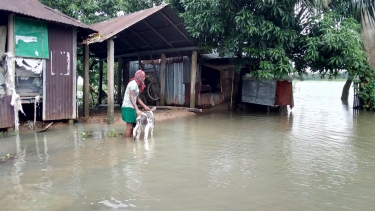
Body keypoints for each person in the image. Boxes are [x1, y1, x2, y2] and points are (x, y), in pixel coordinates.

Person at [122, 70, 150, 137]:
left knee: (132, 126)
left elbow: (137, 98)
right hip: (128, 107)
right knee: (130, 127)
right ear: (139, 77)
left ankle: (129, 143)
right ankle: (128, 144)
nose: (144, 78)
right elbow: (131, 97)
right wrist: (137, 110)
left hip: (131, 107)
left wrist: (145, 106)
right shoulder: (133, 84)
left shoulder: (137, 86)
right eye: (143, 77)